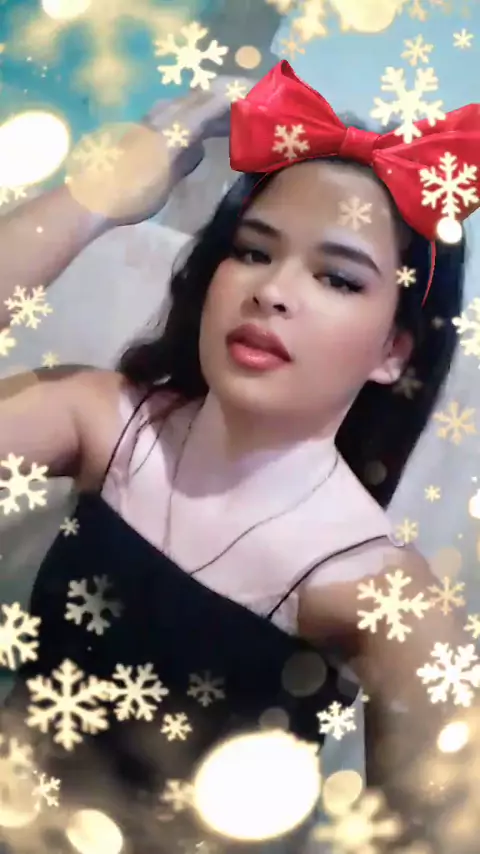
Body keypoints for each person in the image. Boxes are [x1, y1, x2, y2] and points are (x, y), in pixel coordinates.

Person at [0, 61, 476, 852]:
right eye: (253, 252)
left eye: (337, 278)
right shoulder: (101, 418)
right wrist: (104, 188)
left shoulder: (384, 597)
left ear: (393, 351)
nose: (273, 290)